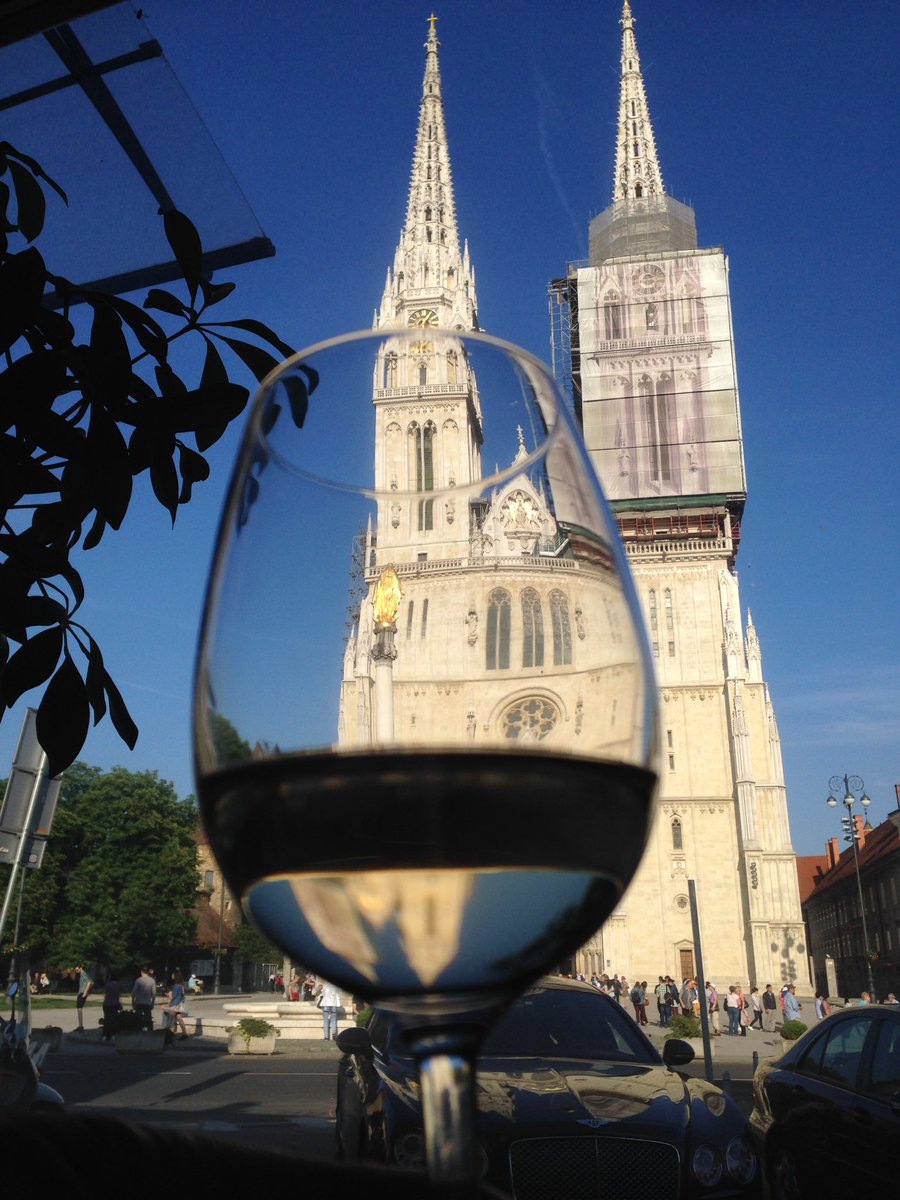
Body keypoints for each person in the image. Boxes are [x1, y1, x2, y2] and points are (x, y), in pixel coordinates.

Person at [164, 970, 190, 1039]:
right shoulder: (182, 985)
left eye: (173, 974)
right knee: (179, 1018)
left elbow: (174, 996)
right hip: (180, 1004)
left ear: (176, 976)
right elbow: (181, 995)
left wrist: (168, 995)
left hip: (176, 1004)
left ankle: (165, 1033)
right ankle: (184, 1034)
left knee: (170, 1018)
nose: (171, 976)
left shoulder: (176, 985)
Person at [101, 973, 123, 1041]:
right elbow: (119, 995)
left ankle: (105, 1035)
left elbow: (104, 993)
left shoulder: (107, 984)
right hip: (115, 1004)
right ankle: (112, 1034)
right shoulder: (119, 985)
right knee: (113, 1020)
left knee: (107, 1019)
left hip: (107, 1004)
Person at [74, 965, 93, 1032]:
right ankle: (80, 1025)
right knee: (79, 1009)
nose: (76, 971)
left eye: (77, 970)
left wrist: (85, 992)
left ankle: (80, 1026)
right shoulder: (85, 974)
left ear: (80, 968)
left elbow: (89, 982)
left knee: (79, 1009)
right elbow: (91, 982)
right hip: (82, 992)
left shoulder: (83, 973)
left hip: (82, 992)